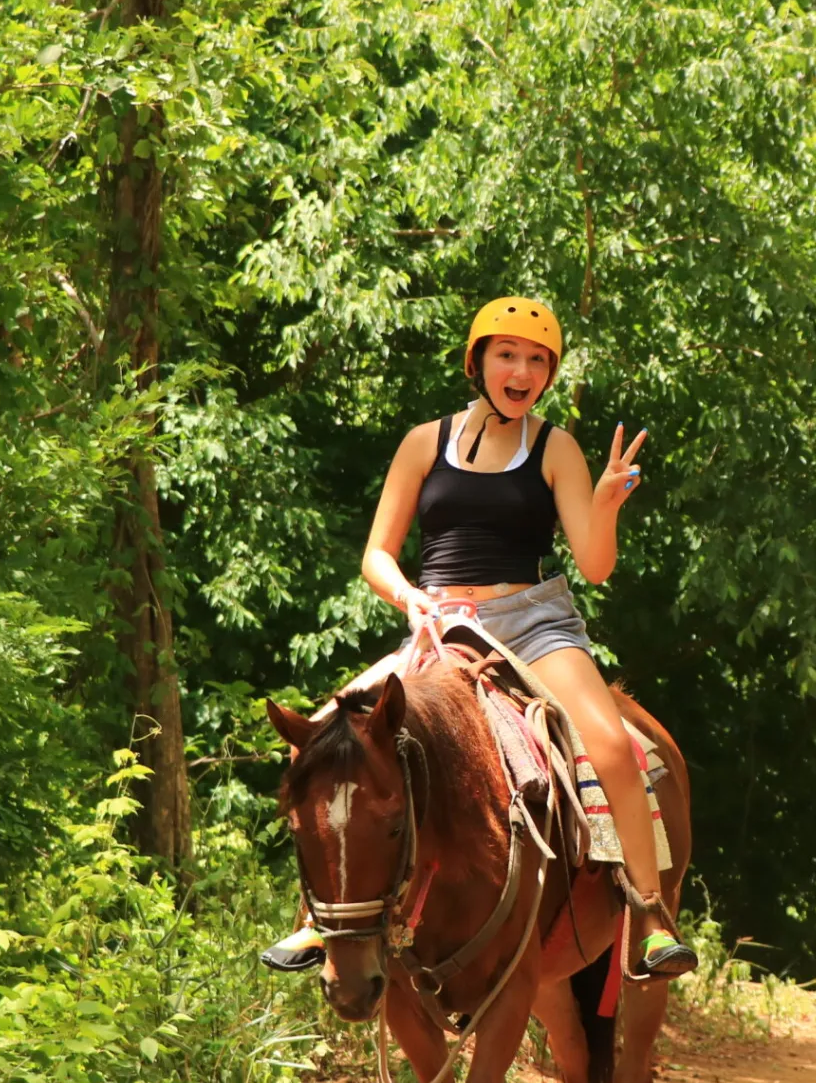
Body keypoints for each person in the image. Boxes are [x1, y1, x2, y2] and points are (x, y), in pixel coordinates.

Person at [263, 297, 697, 979]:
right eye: (507, 355)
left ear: (547, 375)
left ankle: (647, 916)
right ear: (478, 362)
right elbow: (377, 553)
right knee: (323, 737)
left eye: (536, 361)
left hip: (534, 621)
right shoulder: (421, 443)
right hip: (440, 624)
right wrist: (409, 597)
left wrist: (606, 504)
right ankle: (316, 920)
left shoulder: (556, 447)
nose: (521, 371)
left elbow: (595, 565)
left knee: (611, 743)